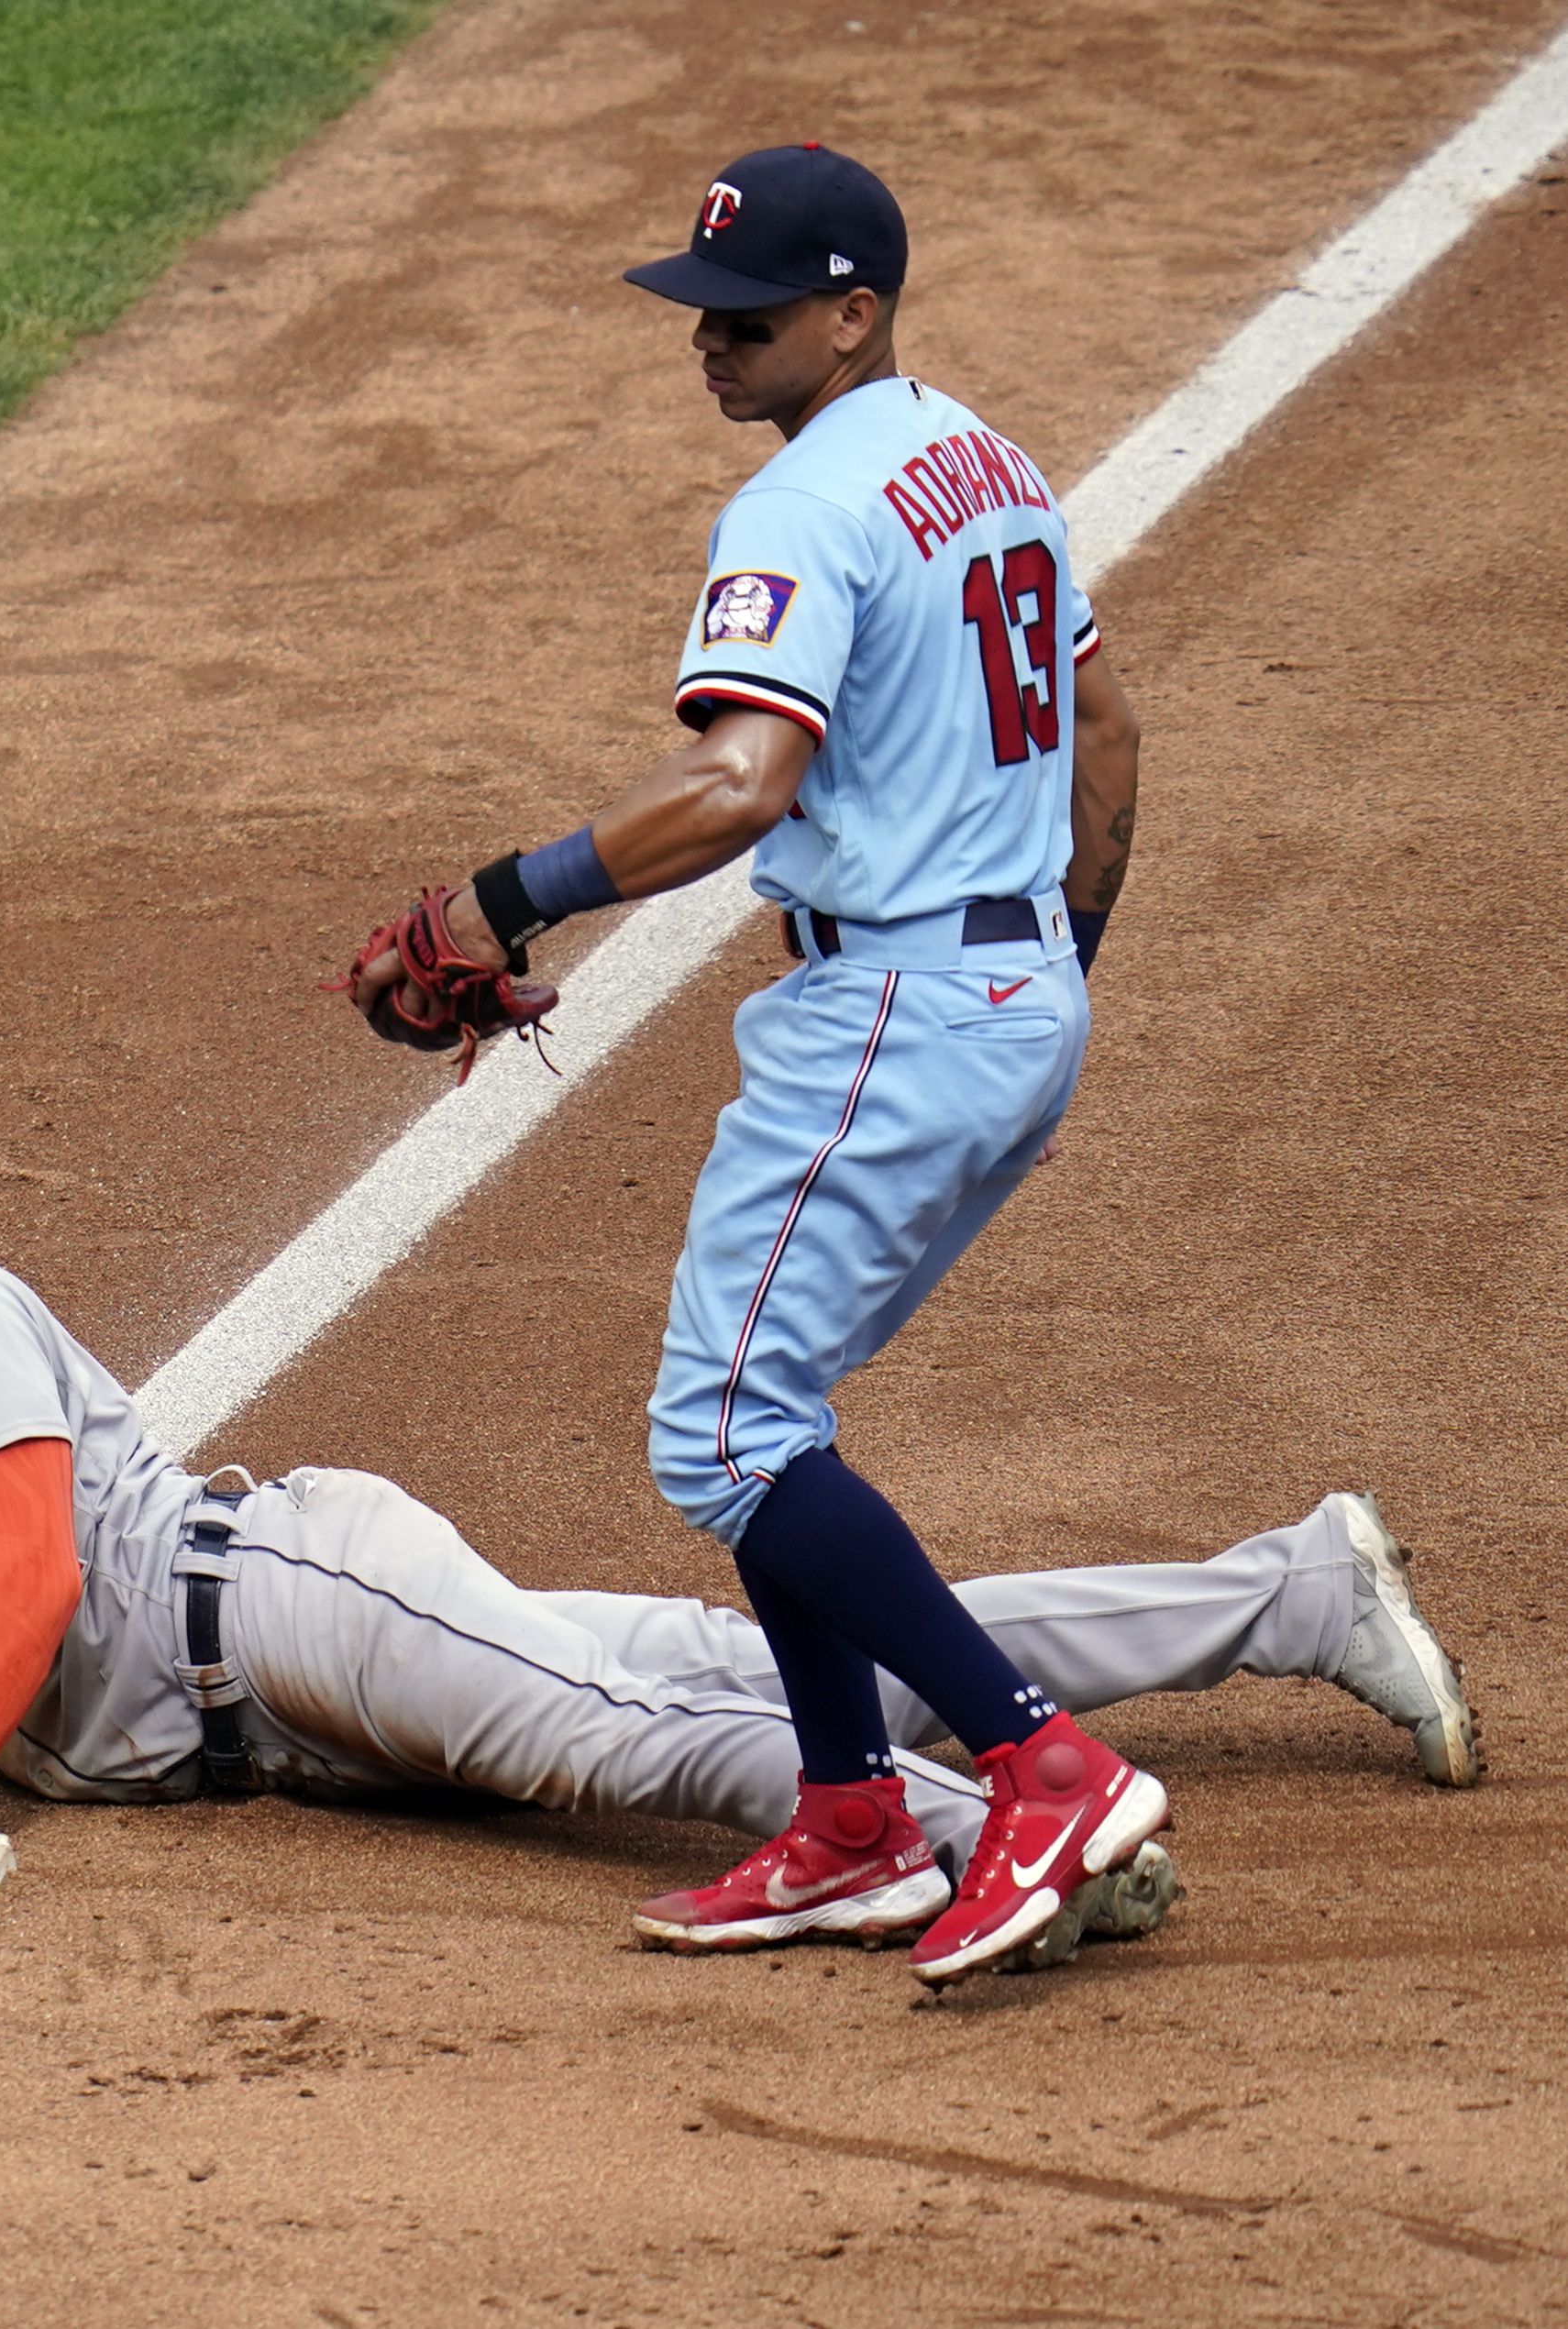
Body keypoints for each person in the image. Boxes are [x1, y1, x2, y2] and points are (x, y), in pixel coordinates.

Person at [339, 147, 1476, 1983]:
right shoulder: (989, 463)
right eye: (703, 312)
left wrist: (501, 901)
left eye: (752, 315)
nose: (710, 343)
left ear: (853, 313)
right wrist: (1052, 982)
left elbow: (737, 786)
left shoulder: (800, 507)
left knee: (718, 1432)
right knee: (769, 1406)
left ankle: (1040, 1764)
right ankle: (855, 1814)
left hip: (891, 1013)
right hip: (1005, 994)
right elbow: (1104, 723)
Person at [0, 1054, 1474, 1971]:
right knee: (727, 1664)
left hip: (279, 1604)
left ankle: (1027, 1812)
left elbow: (19, 1581)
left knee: (632, 1743)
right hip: (269, 1722)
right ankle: (1285, 1589)